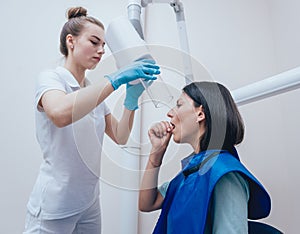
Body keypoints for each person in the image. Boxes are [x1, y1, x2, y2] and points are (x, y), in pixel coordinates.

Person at [23, 6, 160, 234]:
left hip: (89, 203)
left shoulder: (91, 89)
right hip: (55, 206)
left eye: (104, 45)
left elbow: (120, 135)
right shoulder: (51, 78)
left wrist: (131, 99)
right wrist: (114, 79)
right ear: (71, 41)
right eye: (94, 42)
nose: (101, 50)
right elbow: (59, 114)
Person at [139, 81, 271, 233]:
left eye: (179, 105)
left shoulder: (225, 173)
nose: (170, 113)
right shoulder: (193, 170)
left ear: (200, 114)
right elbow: (147, 203)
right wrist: (156, 155)